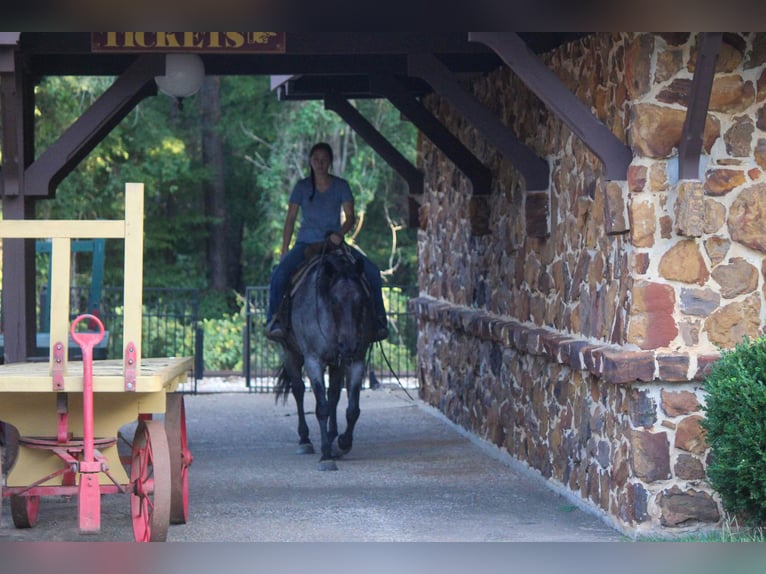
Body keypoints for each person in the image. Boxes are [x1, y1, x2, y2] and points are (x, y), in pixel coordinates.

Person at [265, 142, 389, 342]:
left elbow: (350, 217)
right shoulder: (302, 187)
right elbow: (290, 219)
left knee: (373, 272)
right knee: (279, 274)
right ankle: (274, 321)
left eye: (324, 160)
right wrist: (284, 249)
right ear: (311, 162)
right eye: (316, 160)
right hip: (305, 244)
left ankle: (379, 322)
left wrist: (340, 233)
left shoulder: (341, 186)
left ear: (330, 162)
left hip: (334, 243)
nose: (320, 163)